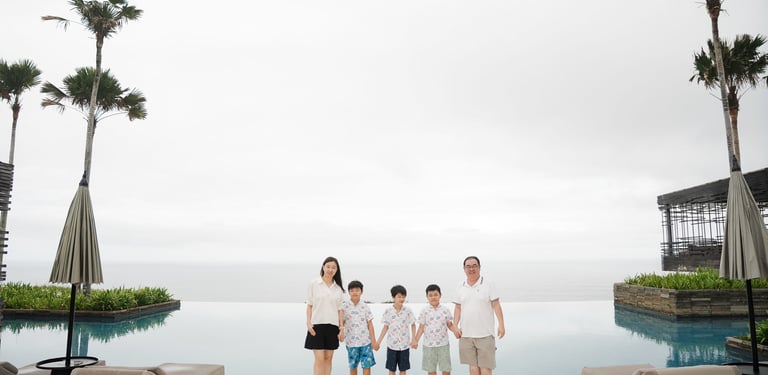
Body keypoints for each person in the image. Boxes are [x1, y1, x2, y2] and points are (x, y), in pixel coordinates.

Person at [453, 256, 505, 375]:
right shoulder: (460, 286)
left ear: (479, 267)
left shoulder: (488, 284)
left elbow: (496, 305)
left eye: (474, 266)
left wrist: (501, 324)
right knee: (473, 368)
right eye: (468, 266)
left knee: (486, 368)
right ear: (464, 269)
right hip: (466, 335)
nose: (471, 269)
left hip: (485, 335)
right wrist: (455, 326)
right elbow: (458, 307)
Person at [305, 256, 346, 375]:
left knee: (328, 359)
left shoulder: (338, 288)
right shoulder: (314, 283)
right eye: (328, 266)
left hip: (332, 327)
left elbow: (340, 310)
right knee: (319, 359)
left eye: (333, 267)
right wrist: (308, 323)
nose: (330, 269)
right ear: (323, 267)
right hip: (317, 325)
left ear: (337, 270)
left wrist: (341, 328)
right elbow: (309, 305)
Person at [412, 284, 459, 375]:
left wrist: (456, 331)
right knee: (431, 370)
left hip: (443, 345)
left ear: (440, 295)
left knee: (446, 369)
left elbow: (450, 325)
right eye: (430, 295)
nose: (433, 297)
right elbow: (421, 328)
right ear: (427, 297)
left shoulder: (445, 310)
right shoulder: (424, 310)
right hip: (428, 346)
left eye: (435, 295)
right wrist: (415, 340)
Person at [377, 284, 416, 375]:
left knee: (403, 370)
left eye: (403, 296)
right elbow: (385, 327)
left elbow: (413, 325)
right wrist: (378, 342)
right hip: (392, 346)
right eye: (399, 297)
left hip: (404, 346)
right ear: (393, 297)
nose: (401, 299)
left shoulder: (408, 310)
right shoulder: (388, 311)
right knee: (391, 370)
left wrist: (414, 339)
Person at [342, 280, 379, 375]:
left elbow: (370, 324)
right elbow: (341, 323)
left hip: (365, 342)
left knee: (367, 365)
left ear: (361, 292)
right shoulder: (344, 307)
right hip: (351, 342)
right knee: (353, 366)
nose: (355, 292)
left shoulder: (365, 306)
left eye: (357, 290)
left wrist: (374, 341)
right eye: (352, 290)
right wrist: (339, 333)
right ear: (349, 292)